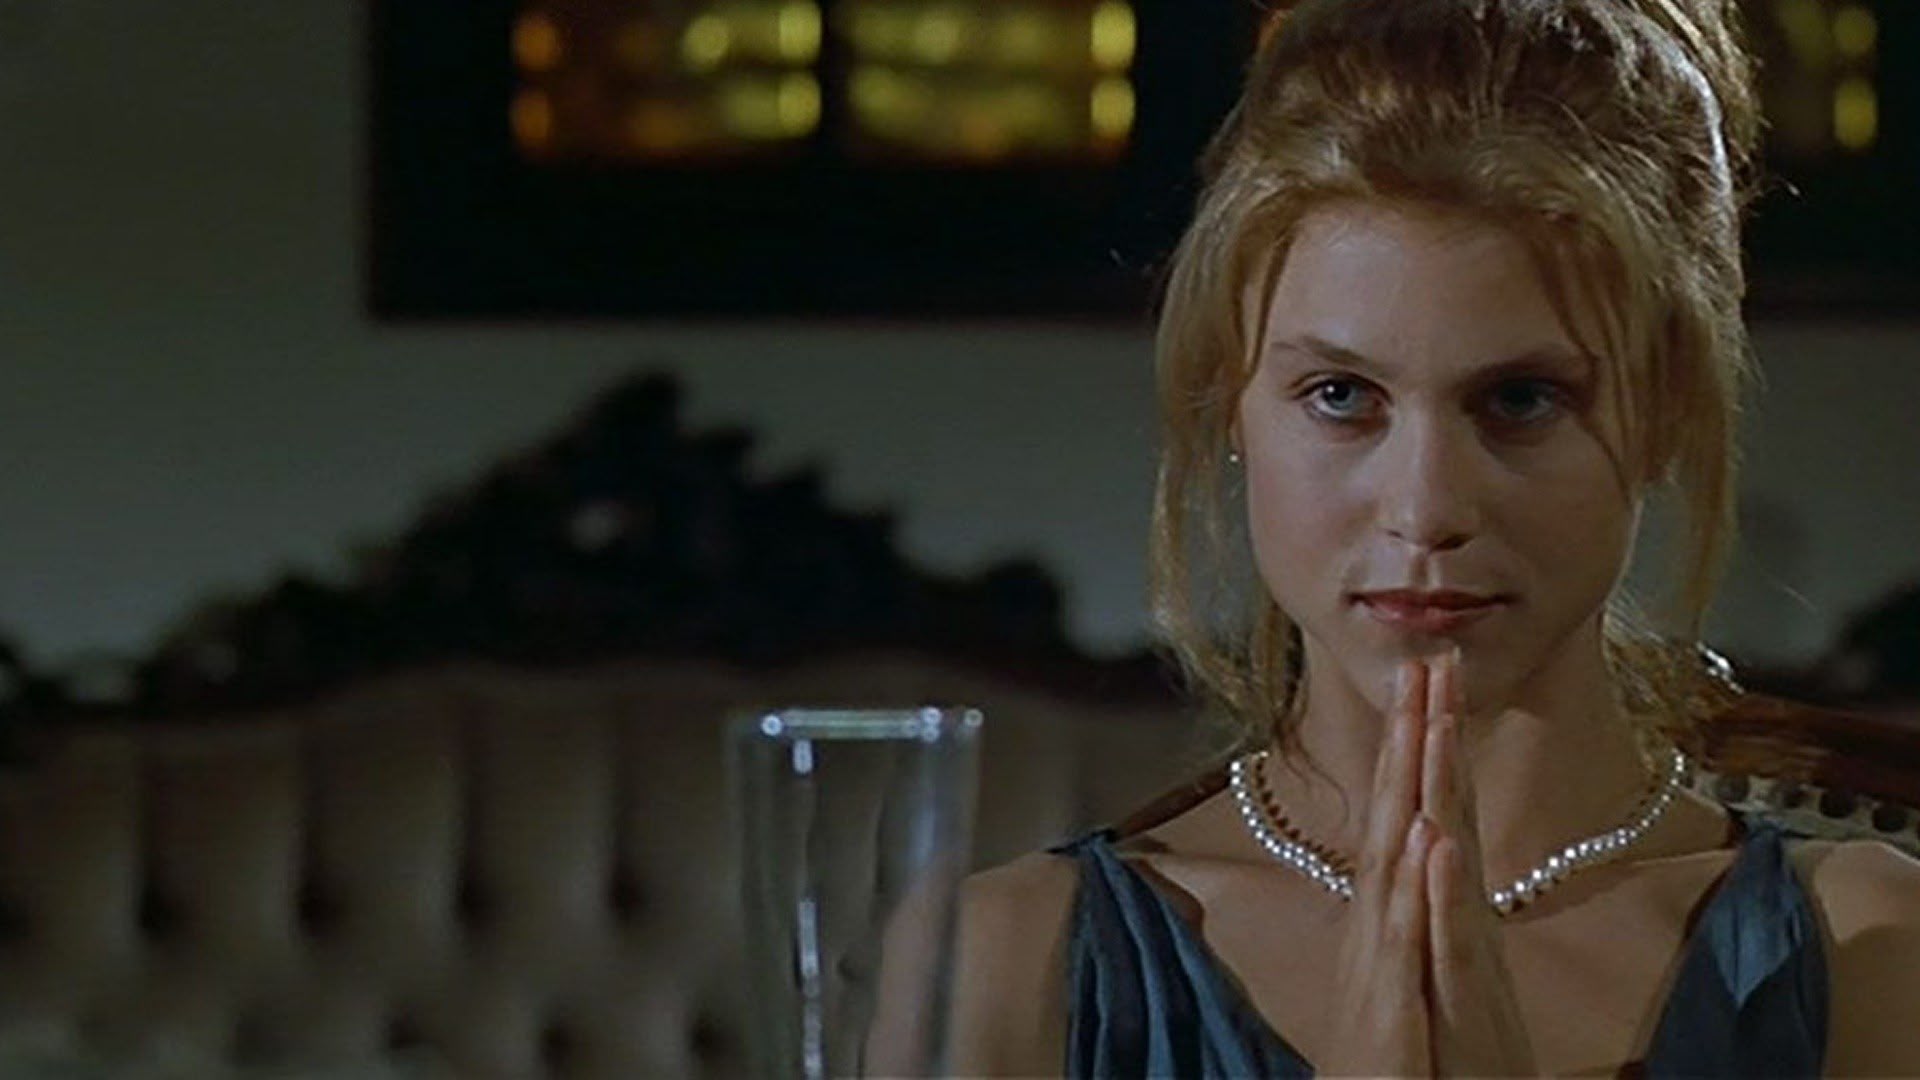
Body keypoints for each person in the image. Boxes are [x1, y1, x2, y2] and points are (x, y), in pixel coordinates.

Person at [946, 0, 1920, 1074]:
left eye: (1521, 400)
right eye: (1340, 395)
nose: (1426, 507)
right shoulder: (1011, 959)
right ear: (1231, 402)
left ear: (1669, 417)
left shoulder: (1868, 947)